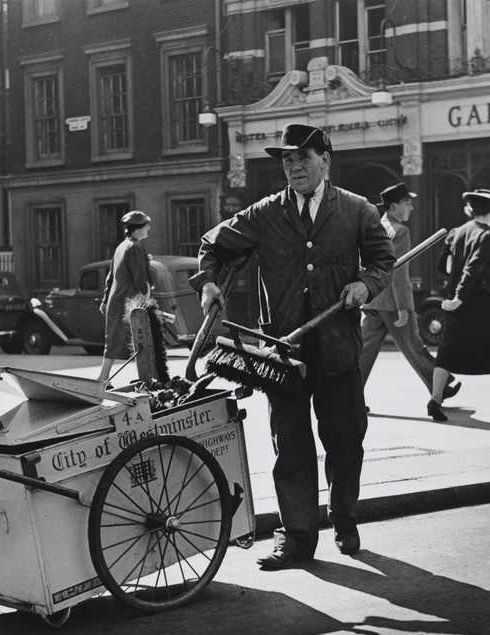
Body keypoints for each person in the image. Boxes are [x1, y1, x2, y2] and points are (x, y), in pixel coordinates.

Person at [190, 123, 396, 569]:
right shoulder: (266, 212)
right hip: (282, 354)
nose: (294, 166)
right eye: (287, 159)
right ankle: (298, 538)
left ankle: (343, 516)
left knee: (345, 439)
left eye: (303, 157)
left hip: (338, 346)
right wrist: (208, 284)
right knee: (291, 446)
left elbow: (384, 262)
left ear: (325, 160)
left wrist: (365, 284)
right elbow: (213, 243)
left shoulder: (356, 210)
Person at [427, 188, 490, 422]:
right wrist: (460, 298)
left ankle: (435, 400)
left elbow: (446, 267)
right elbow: (474, 268)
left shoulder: (456, 232)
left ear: (471, 210)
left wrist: (454, 297)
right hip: (479, 301)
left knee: (447, 351)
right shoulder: (489, 235)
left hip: (456, 300)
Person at [360, 183, 461, 406]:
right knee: (414, 346)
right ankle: (440, 385)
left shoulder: (376, 226)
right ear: (394, 206)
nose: (412, 207)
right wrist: (404, 306)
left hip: (371, 299)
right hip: (392, 302)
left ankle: (349, 397)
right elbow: (398, 271)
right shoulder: (400, 231)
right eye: (407, 202)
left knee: (364, 353)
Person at [97, 210, 151, 386]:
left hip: (116, 299)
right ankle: (145, 379)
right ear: (136, 230)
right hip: (129, 301)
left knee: (113, 340)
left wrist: (105, 300)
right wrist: (146, 299)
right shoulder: (135, 248)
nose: (148, 228)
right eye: (145, 226)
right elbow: (139, 278)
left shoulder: (121, 247)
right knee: (141, 338)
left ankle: (103, 377)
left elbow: (110, 276)